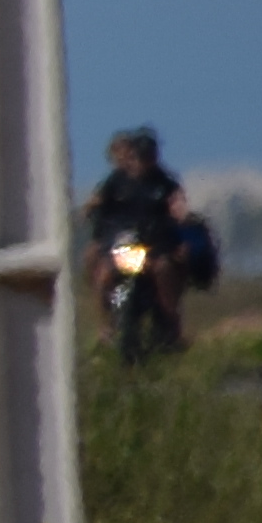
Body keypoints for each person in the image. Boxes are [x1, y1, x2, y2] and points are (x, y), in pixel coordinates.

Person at [90, 127, 216, 355]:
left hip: (156, 248)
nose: (143, 161)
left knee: (164, 270)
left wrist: (182, 216)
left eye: (148, 155)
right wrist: (93, 212)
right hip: (126, 247)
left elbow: (178, 208)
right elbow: (98, 205)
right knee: (105, 274)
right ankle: (106, 326)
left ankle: (171, 322)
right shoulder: (117, 181)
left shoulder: (165, 183)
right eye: (139, 156)